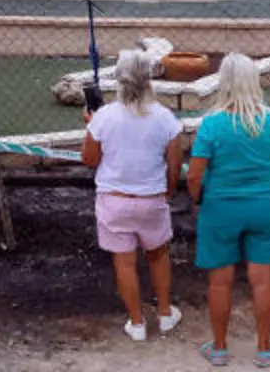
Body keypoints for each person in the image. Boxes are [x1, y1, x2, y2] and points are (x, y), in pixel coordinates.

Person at [187, 52, 270, 368]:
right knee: (262, 279)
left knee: (220, 281)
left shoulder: (212, 125)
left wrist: (197, 200)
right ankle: (264, 349)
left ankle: (219, 349)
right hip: (263, 206)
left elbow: (193, 174)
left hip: (220, 208)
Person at [81, 49, 184, 342]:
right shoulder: (165, 117)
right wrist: (168, 192)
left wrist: (89, 127)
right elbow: (174, 164)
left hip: (114, 200)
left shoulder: (103, 117)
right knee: (159, 255)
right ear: (148, 79)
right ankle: (165, 314)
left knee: (124, 262)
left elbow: (89, 160)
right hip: (151, 199)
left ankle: (136, 323)